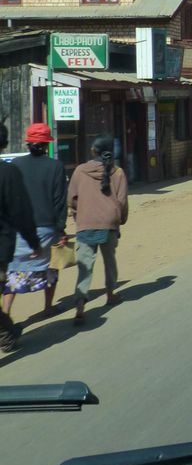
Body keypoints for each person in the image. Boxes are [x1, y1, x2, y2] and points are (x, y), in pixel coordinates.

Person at [7, 124, 68, 320]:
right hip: (46, 228)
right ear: (46, 145)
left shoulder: (14, 164)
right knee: (50, 268)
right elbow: (60, 201)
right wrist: (61, 229)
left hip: (18, 230)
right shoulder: (55, 166)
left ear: (28, 143)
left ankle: (5, 314)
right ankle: (48, 307)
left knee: (12, 273)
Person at [69, 135, 128, 325]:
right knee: (110, 260)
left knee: (85, 266)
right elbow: (122, 201)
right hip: (109, 222)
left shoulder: (79, 171)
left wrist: (78, 213)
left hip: (86, 222)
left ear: (93, 151)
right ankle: (110, 294)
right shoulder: (118, 172)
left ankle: (80, 304)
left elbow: (71, 199)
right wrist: (121, 220)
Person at [0, 122, 40, 352]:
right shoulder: (8, 172)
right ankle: (8, 333)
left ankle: (8, 333)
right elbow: (20, 211)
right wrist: (33, 241)